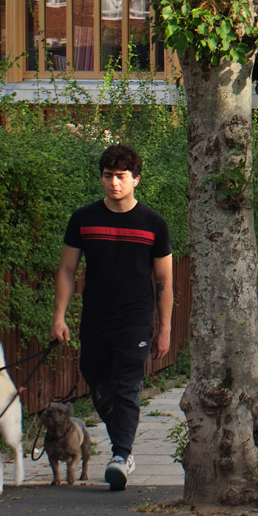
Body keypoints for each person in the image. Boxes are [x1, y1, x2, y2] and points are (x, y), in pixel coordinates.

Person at [53, 143, 174, 489]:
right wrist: (59, 316)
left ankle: (121, 455)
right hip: (95, 318)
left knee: (125, 385)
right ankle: (123, 442)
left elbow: (164, 280)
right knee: (97, 382)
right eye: (108, 176)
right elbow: (67, 269)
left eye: (121, 176)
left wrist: (164, 328)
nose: (114, 183)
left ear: (136, 179)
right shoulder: (84, 219)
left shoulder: (153, 224)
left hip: (135, 319)